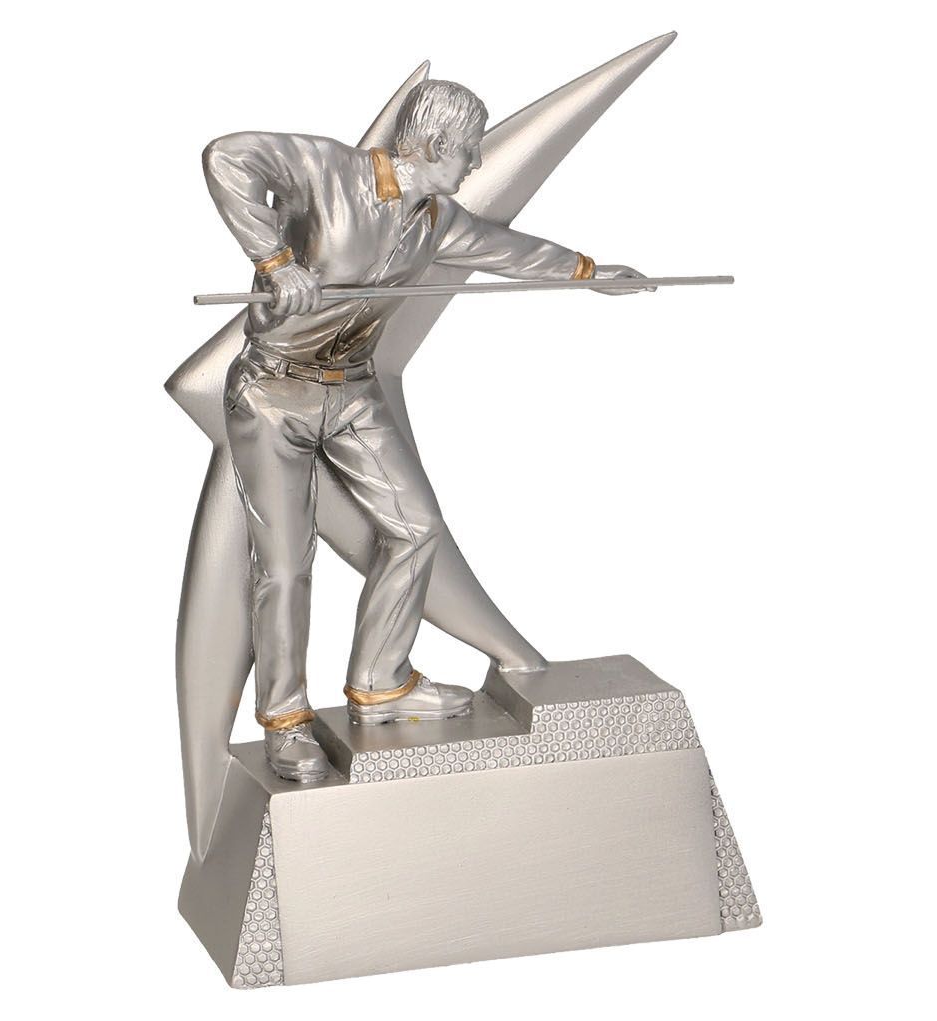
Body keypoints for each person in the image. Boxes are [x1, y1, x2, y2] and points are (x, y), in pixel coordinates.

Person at [202, 80, 646, 781]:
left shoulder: (436, 220)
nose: (475, 164)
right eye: (468, 151)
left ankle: (380, 682)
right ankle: (285, 721)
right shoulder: (329, 170)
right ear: (436, 145)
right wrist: (275, 261)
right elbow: (227, 158)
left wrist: (591, 272)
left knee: (416, 527)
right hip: (272, 392)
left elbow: (509, 251)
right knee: (285, 565)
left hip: (352, 389)